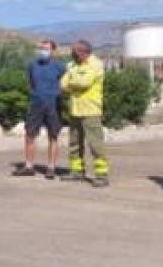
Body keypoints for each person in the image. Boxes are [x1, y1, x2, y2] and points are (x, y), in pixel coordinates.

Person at [15, 40, 68, 179]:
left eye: (46, 48)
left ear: (53, 51)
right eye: (41, 48)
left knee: (53, 135)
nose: (43, 51)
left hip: (53, 104)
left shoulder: (60, 67)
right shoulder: (32, 65)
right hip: (36, 103)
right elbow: (31, 83)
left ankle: (51, 168)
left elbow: (66, 83)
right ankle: (29, 166)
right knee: (29, 135)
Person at [60, 40, 109, 188]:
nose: (73, 54)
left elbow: (84, 83)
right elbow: (62, 84)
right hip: (75, 110)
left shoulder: (95, 64)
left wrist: (72, 81)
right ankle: (77, 172)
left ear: (84, 51)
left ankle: (101, 175)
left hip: (91, 111)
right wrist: (73, 82)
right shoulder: (72, 65)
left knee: (95, 144)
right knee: (74, 144)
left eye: (76, 51)